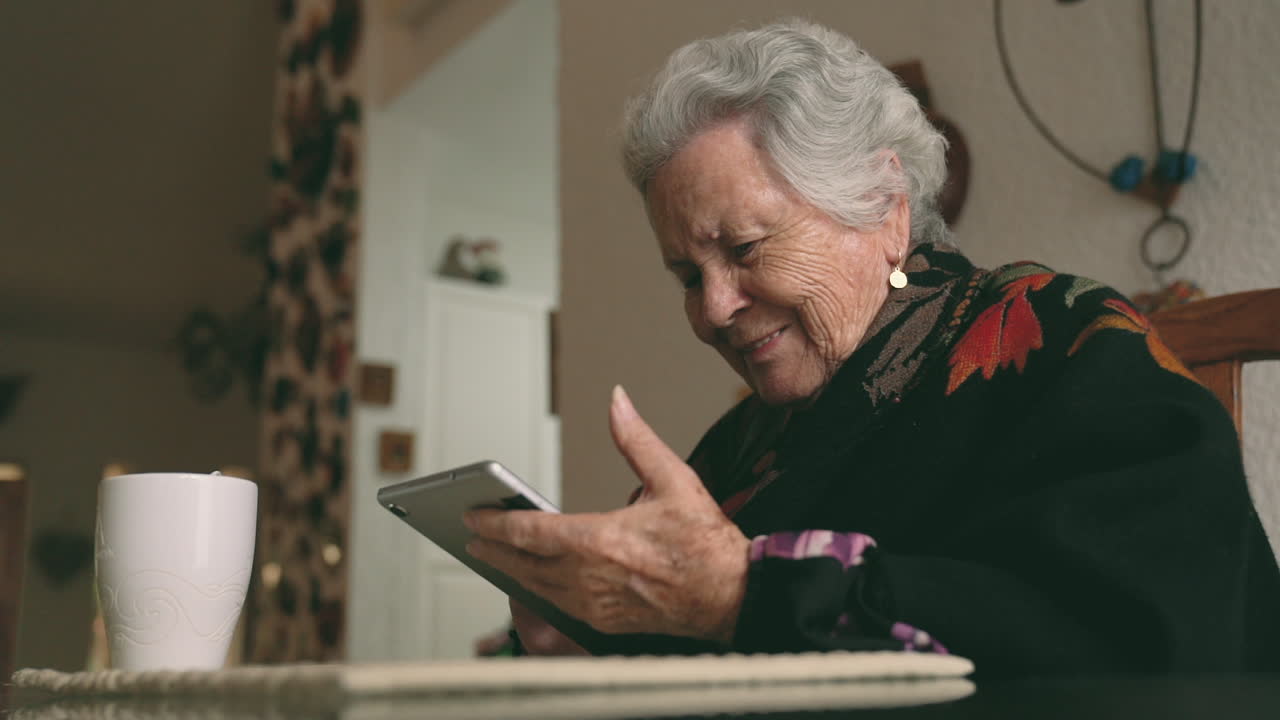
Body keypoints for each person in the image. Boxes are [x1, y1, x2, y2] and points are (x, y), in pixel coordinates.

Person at [464, 18, 1280, 674]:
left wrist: (740, 594)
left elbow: (1154, 637)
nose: (714, 308)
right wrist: (594, 636)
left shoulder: (1060, 339)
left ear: (886, 207)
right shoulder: (750, 440)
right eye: (686, 274)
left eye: (745, 248)